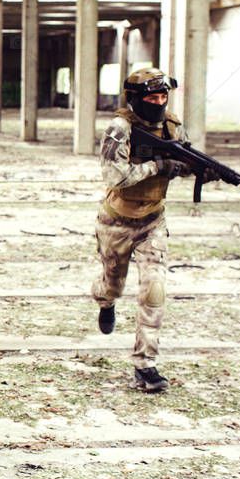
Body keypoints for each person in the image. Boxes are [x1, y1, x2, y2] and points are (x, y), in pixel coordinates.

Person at [91, 68, 215, 393]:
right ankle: (106, 304)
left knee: (154, 289)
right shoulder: (120, 129)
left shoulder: (171, 126)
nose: (158, 103)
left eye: (163, 97)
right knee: (111, 286)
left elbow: (182, 157)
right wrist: (158, 166)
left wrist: (199, 170)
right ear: (135, 99)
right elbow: (114, 176)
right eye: (151, 97)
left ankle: (145, 365)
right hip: (116, 221)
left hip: (152, 221)